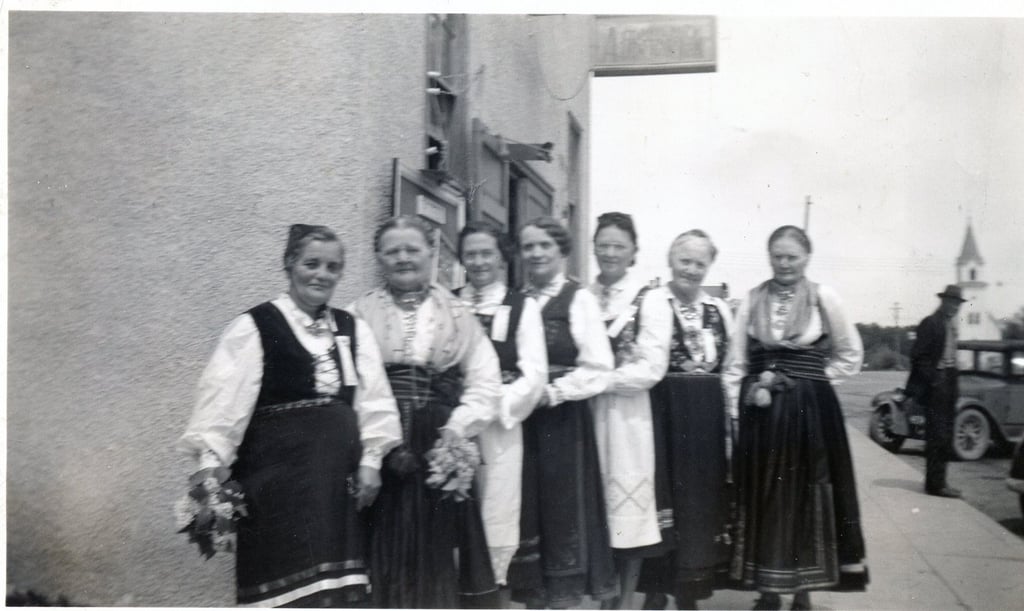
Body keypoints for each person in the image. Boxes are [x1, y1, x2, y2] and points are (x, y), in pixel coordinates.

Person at [178, 224, 403, 607]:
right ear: (289, 264)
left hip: (337, 485)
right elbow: (221, 411)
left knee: (338, 588)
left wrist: (371, 461)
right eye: (311, 263)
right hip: (276, 486)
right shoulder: (256, 327)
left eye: (333, 267)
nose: (322, 274)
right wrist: (211, 479)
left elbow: (375, 402)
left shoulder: (352, 329)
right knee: (283, 582)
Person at [350, 215, 502, 609]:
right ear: (378, 258)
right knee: (381, 546)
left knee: (437, 550)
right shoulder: (357, 314)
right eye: (392, 251)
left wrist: (457, 429)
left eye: (412, 249)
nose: (403, 258)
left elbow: (485, 382)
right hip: (379, 442)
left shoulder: (456, 313)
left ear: (431, 254)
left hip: (439, 444)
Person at [722, 225, 868, 611]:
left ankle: (804, 590)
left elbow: (850, 353)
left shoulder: (824, 297)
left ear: (807, 258)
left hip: (810, 417)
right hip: (761, 413)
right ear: (769, 257)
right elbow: (736, 362)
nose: (784, 264)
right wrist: (734, 411)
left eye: (792, 257)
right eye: (777, 256)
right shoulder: (752, 300)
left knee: (807, 494)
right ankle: (767, 590)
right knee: (765, 496)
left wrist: (813, 381)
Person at [507, 216, 618, 609]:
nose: (535, 253)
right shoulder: (515, 299)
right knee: (523, 508)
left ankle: (562, 601)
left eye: (544, 246)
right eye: (528, 247)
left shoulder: (579, 299)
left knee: (560, 511)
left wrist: (553, 392)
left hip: (561, 421)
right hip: (518, 420)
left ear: (562, 252)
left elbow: (599, 369)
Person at [637, 230, 734, 610]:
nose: (691, 270)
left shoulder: (719, 309)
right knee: (664, 500)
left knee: (699, 506)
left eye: (700, 263)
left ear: (709, 266)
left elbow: (732, 366)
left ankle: (689, 591)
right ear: (670, 261)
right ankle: (657, 588)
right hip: (667, 414)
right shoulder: (654, 302)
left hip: (707, 422)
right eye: (685, 261)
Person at [456, 220, 548, 600]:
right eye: (470, 254)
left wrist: (492, 406)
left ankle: (495, 594)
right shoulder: (447, 301)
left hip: (500, 425)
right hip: (453, 425)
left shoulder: (521, 306)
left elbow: (535, 375)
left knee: (497, 510)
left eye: (486, 254)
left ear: (502, 258)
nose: (478, 262)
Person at [587, 212, 672, 610]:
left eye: (619, 245)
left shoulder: (649, 299)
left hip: (627, 415)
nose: (610, 253)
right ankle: (603, 598)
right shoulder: (583, 295)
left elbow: (652, 367)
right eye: (603, 244)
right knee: (593, 510)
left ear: (634, 251)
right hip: (585, 416)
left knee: (628, 515)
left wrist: (597, 380)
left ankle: (621, 604)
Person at [906, 284, 967, 498]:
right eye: (951, 302)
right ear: (943, 301)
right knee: (937, 435)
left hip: (950, 381)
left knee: (947, 433)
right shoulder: (930, 323)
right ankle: (935, 485)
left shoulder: (951, 325)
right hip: (937, 383)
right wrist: (934, 380)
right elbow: (918, 356)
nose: (954, 306)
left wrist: (952, 384)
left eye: (957, 303)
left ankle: (940, 481)